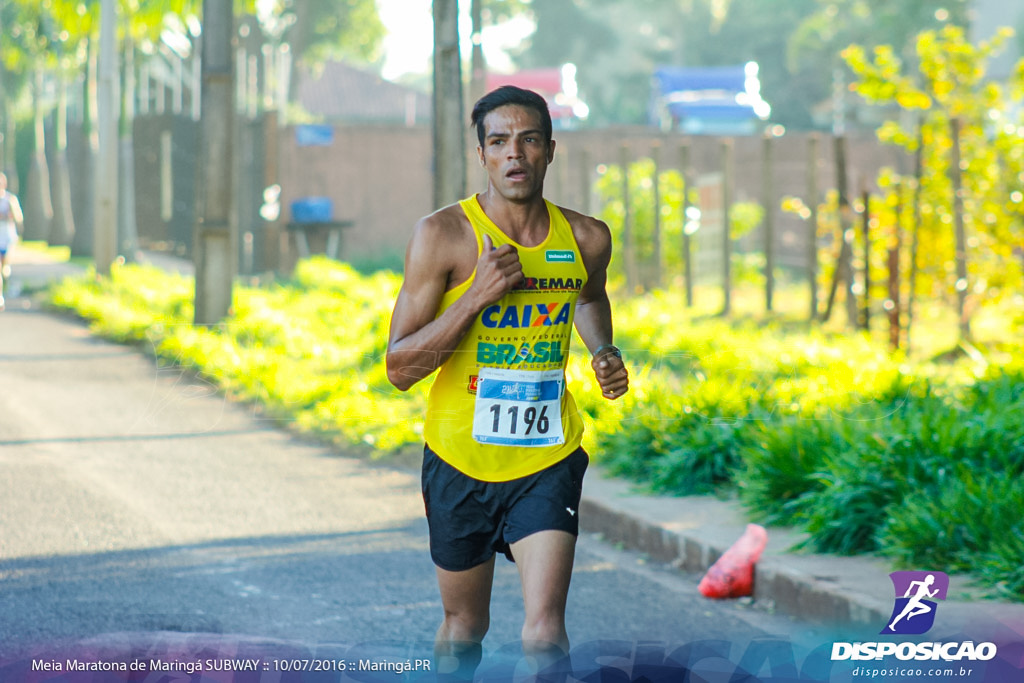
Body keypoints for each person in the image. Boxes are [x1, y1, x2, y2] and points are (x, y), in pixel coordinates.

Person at [386, 85, 629, 680]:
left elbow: (589, 296)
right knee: (466, 630)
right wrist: (475, 297)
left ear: (549, 150)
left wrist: (603, 349)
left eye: (528, 140)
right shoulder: (442, 235)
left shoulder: (587, 237)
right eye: (499, 142)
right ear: (483, 156)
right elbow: (399, 368)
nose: (514, 154)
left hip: (547, 457)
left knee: (545, 636)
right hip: (458, 460)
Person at [0, 172, 24, 311]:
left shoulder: (10, 199)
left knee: (4, 268)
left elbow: (18, 218)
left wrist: (8, 215)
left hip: (7, 239)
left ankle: (7, 283)